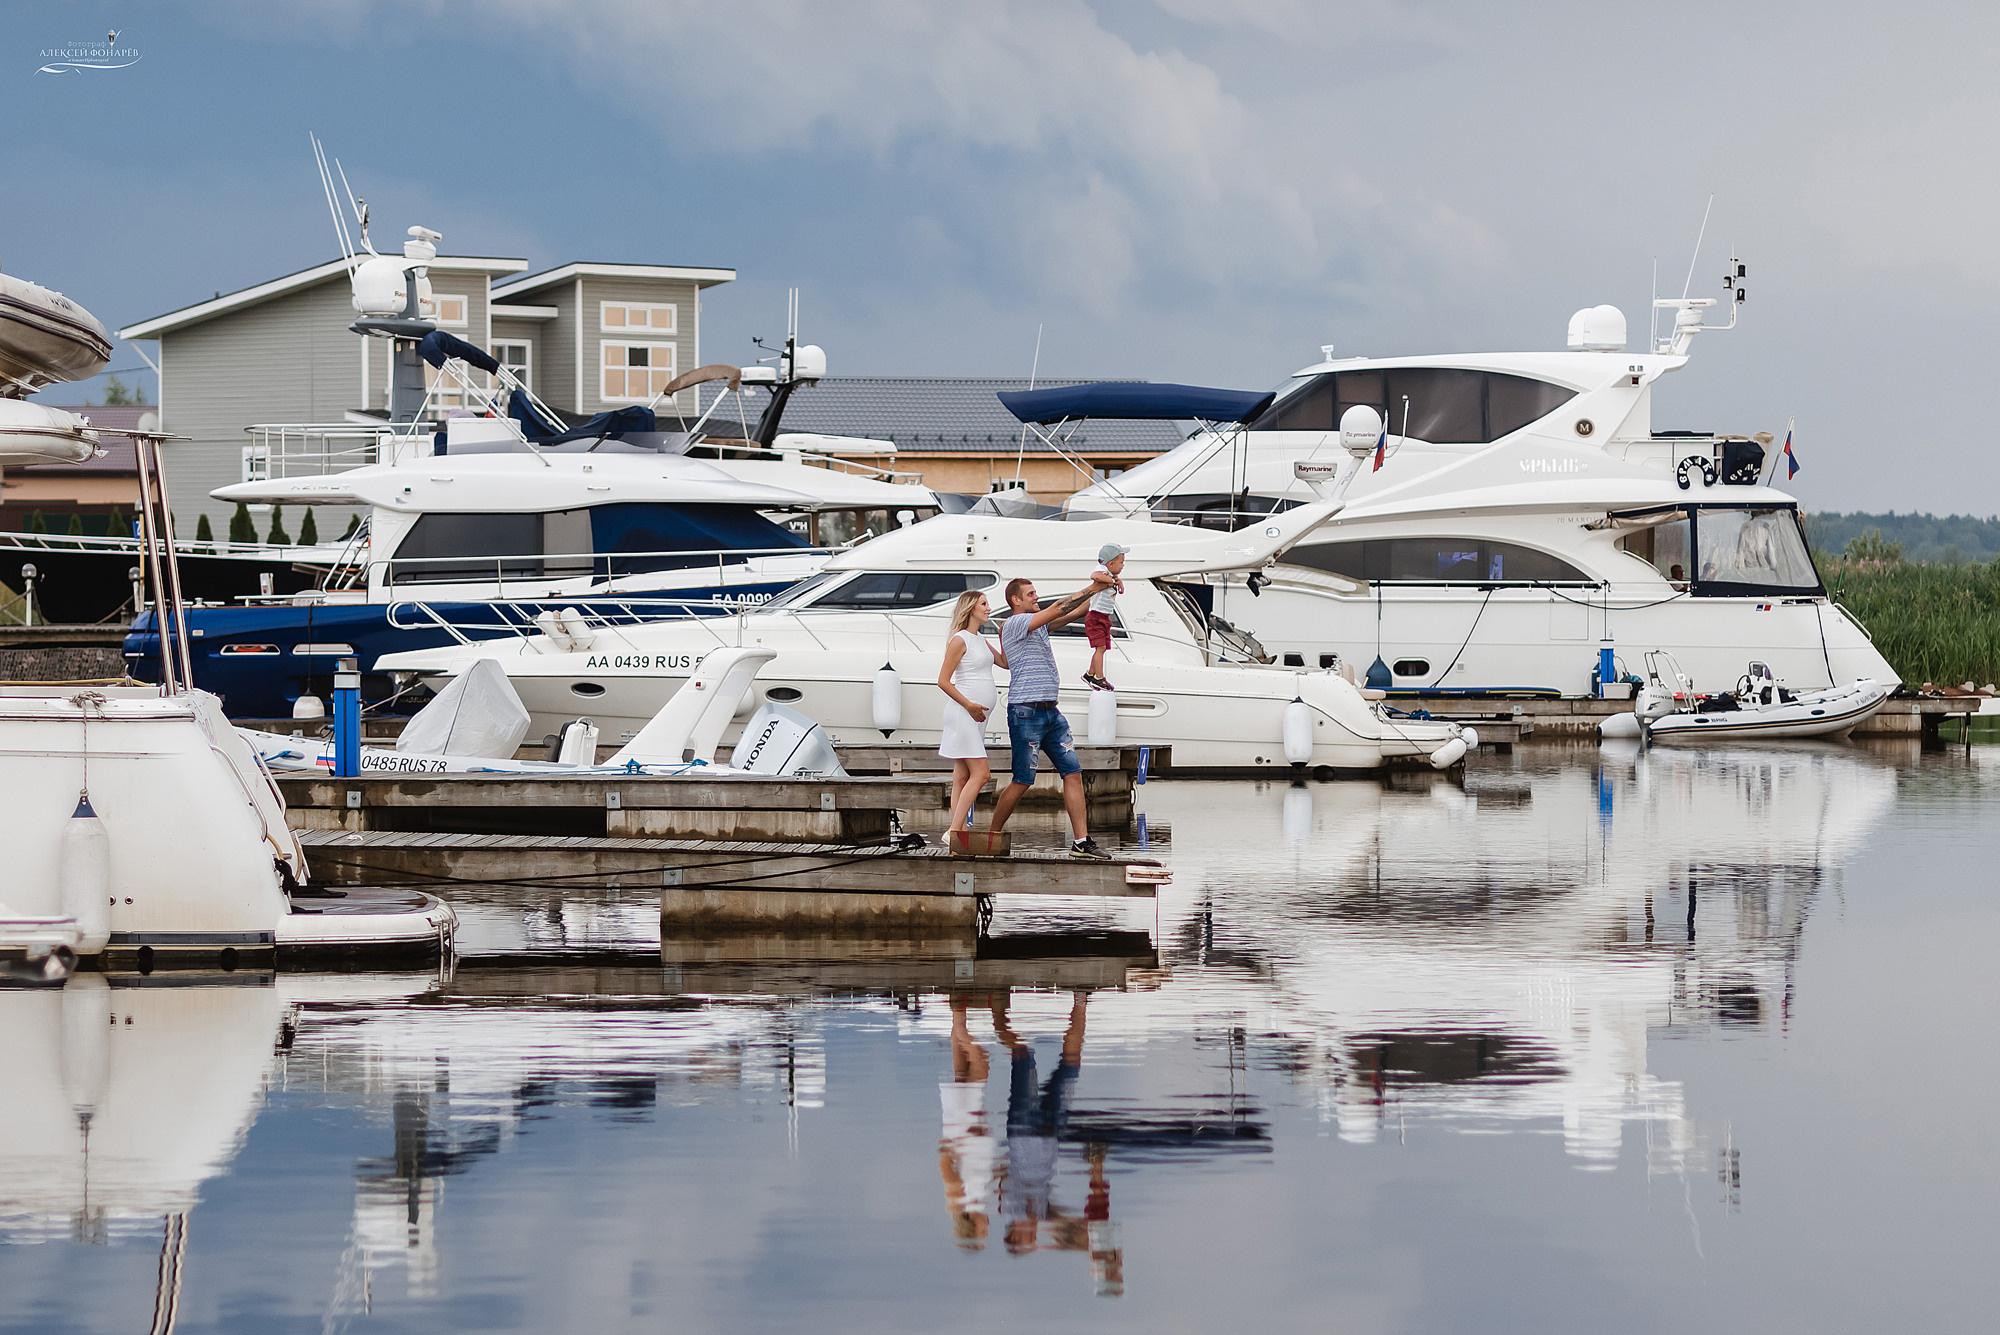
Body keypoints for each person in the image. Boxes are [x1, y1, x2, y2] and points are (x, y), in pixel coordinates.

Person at [991, 573, 1114, 859]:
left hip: (1051, 713)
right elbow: (1059, 608)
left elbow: (1077, 611)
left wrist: (1106, 590)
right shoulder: (1015, 623)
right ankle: (991, 837)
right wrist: (1093, 586)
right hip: (1026, 712)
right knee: (1023, 780)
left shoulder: (1039, 626)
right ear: (1015, 600)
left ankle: (1081, 842)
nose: (1036, 597)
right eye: (1031, 594)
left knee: (1073, 773)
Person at [937, 589, 1007, 841]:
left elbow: (1004, 662)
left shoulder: (980, 639)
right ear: (970, 609)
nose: (989, 608)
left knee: (961, 776)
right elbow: (943, 681)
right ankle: (955, 830)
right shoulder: (960, 640)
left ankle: (960, 833)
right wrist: (969, 705)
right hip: (963, 714)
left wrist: (1003, 637)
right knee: (981, 774)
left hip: (977, 718)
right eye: (984, 604)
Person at [1082, 543, 1127, 691]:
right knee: (1100, 647)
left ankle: (1090, 674)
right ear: (1111, 563)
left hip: (1104, 616)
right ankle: (1099, 678)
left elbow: (1114, 579)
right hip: (1096, 616)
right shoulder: (1102, 570)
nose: (1123, 565)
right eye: (1121, 562)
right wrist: (1110, 581)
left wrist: (1118, 581)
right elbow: (1094, 576)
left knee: (1103, 648)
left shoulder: (1111, 575)